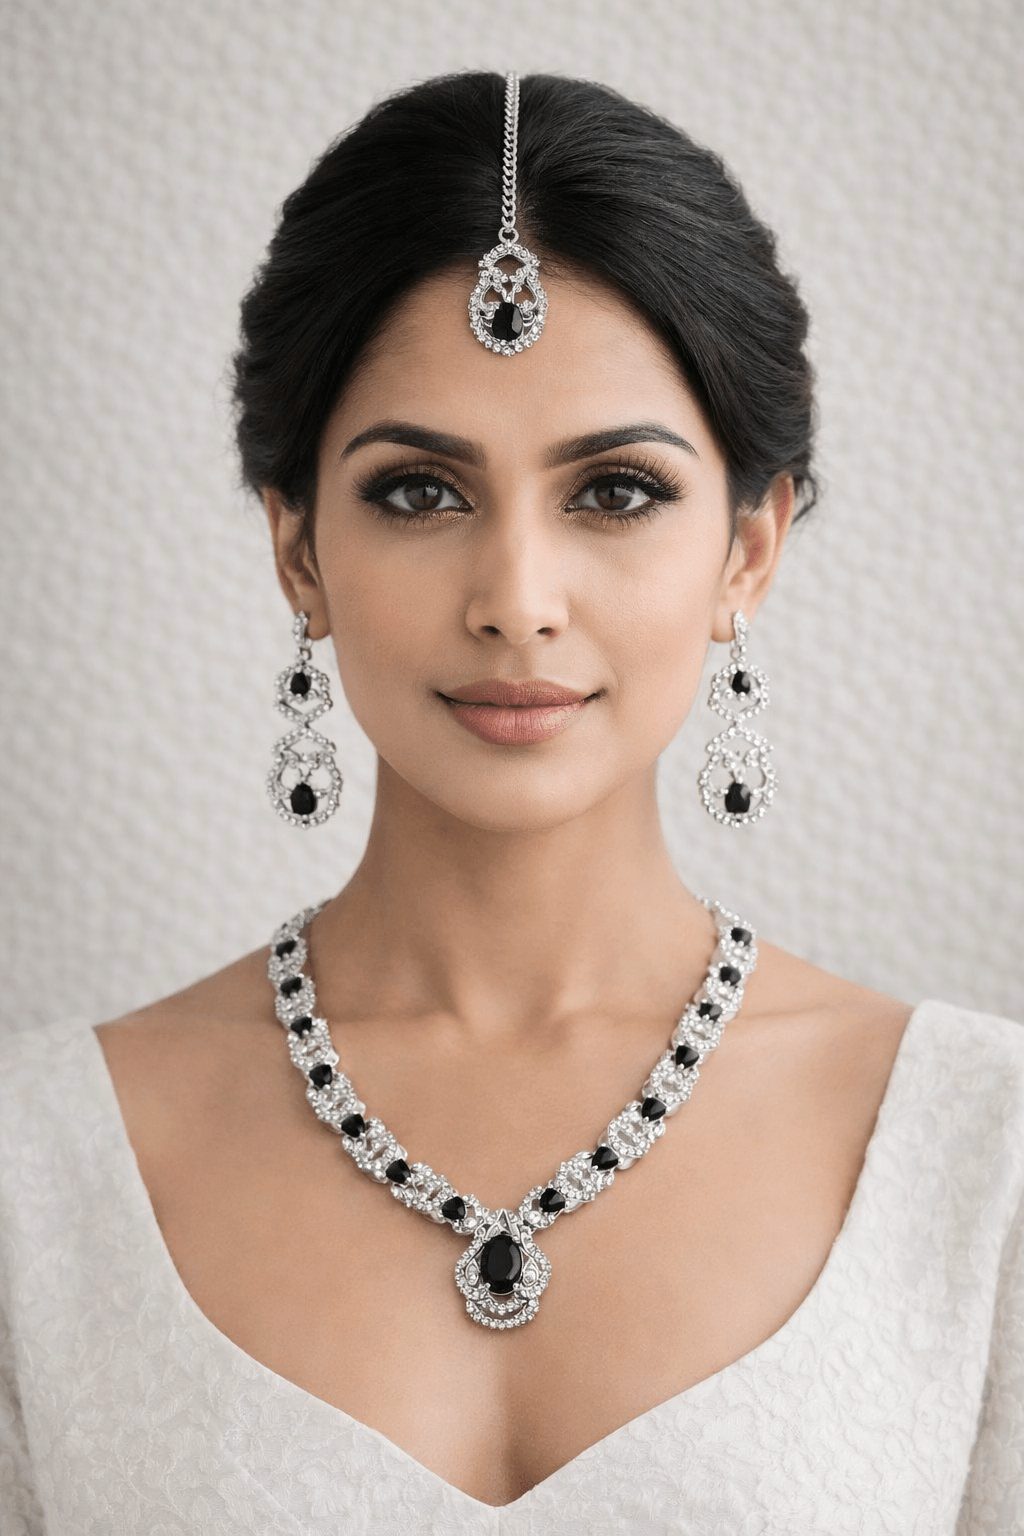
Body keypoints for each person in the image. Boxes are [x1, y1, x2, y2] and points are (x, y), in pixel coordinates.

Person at [0, 70, 1020, 1534]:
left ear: (749, 546)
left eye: (613, 491)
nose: (517, 603)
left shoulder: (982, 1153)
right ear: (297, 547)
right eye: (422, 491)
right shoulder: (37, 1171)